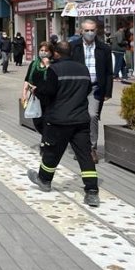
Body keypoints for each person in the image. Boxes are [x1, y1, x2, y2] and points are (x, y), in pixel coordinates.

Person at [27, 41, 100, 208]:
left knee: (52, 151)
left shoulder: (54, 70)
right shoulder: (83, 69)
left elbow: (48, 94)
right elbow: (88, 89)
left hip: (59, 119)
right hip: (81, 120)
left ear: (57, 54)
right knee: (85, 155)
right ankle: (92, 192)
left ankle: (44, 180)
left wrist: (36, 91)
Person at [70, 18, 113, 164]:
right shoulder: (73, 47)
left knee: (92, 115)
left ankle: (91, 148)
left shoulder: (104, 48)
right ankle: (79, 148)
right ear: (81, 31)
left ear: (96, 31)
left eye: (92, 30)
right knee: (77, 117)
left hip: (95, 88)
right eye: (86, 30)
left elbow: (108, 72)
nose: (89, 33)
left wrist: (108, 91)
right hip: (77, 88)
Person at [22, 42, 53, 142]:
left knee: (47, 121)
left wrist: (48, 65)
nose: (43, 53)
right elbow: (27, 79)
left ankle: (45, 142)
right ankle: (46, 138)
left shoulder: (54, 64)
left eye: (46, 51)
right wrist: (24, 93)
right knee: (37, 122)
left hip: (50, 98)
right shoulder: (34, 63)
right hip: (36, 97)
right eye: (41, 50)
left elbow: (53, 78)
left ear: (51, 53)